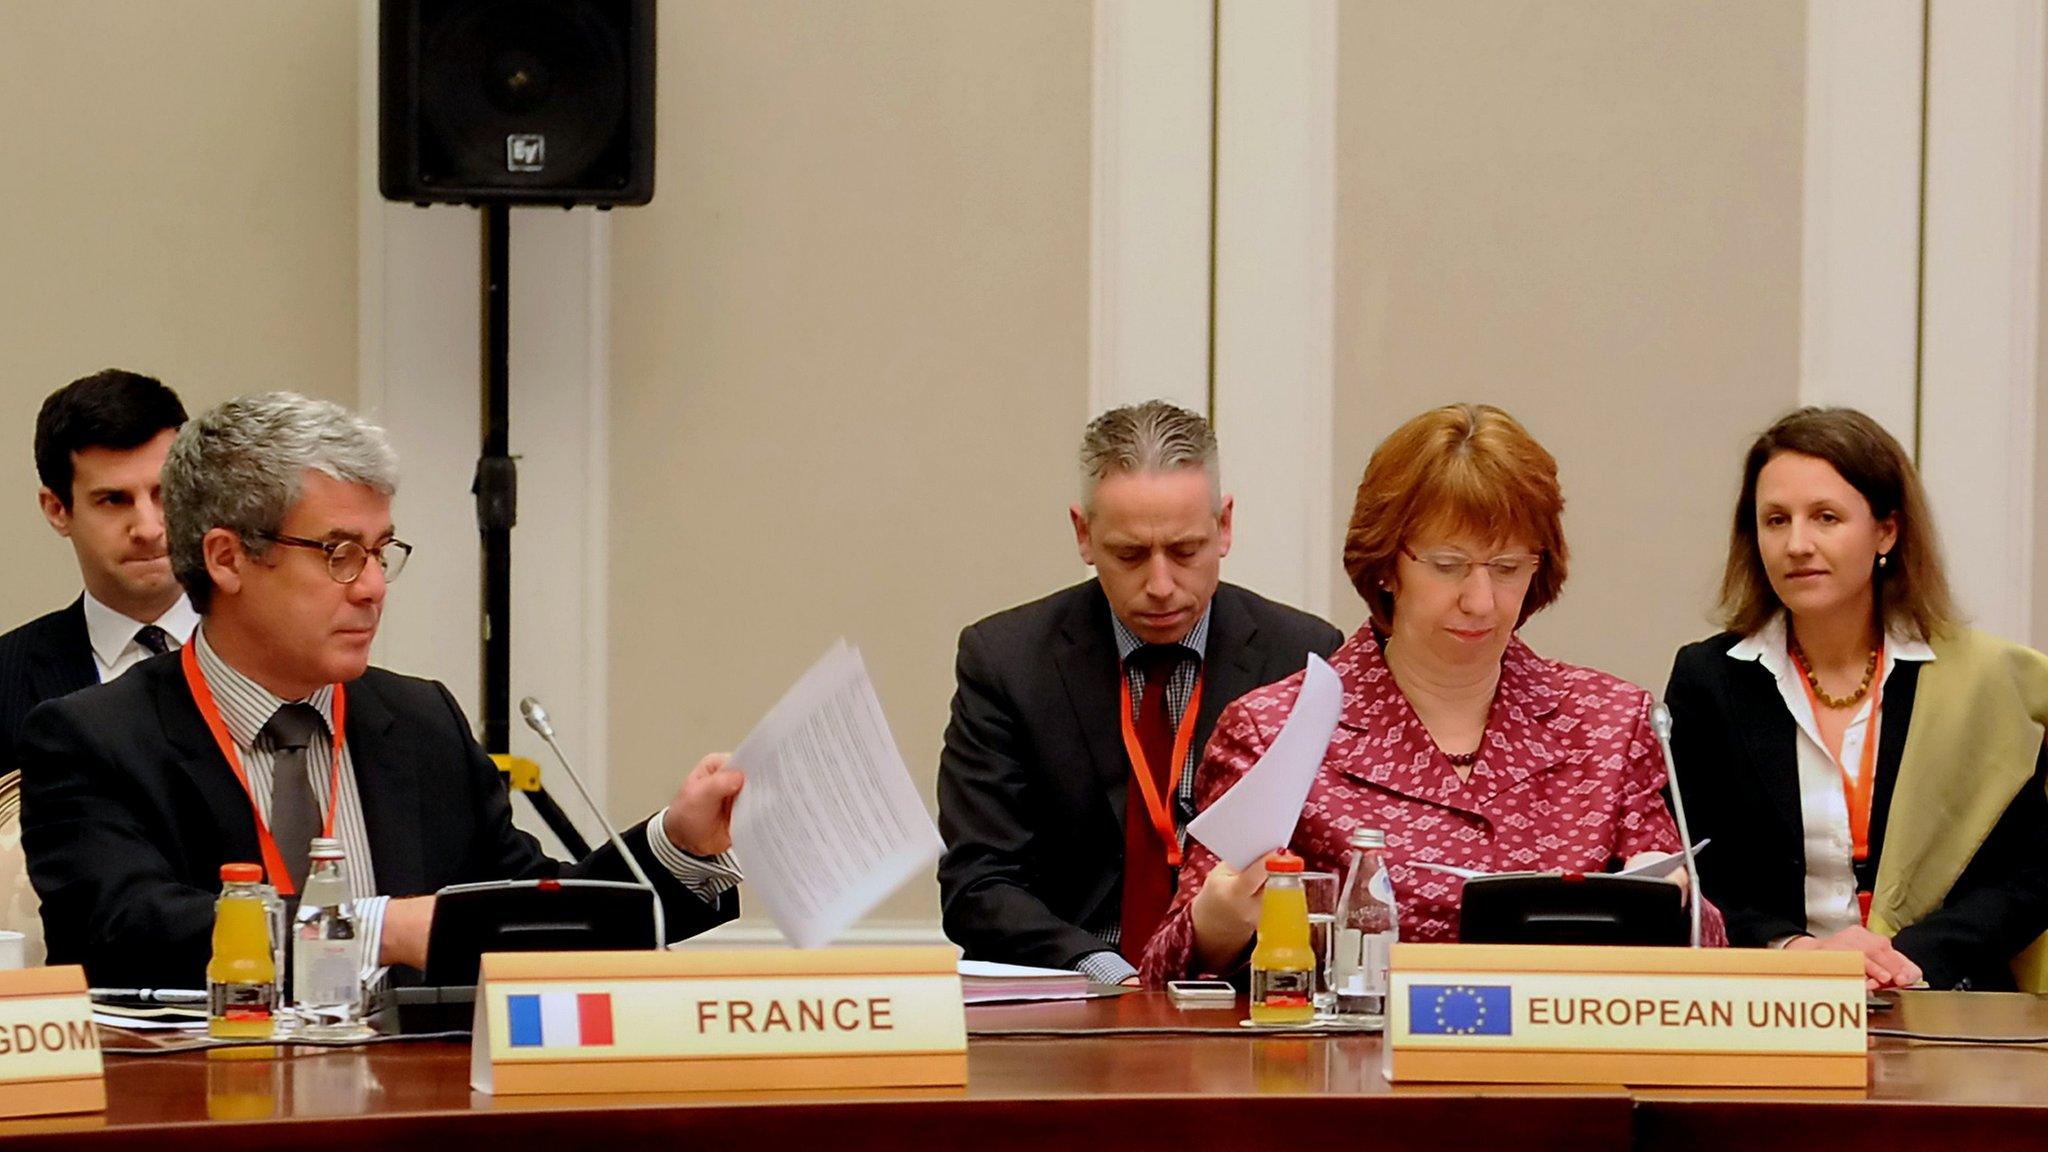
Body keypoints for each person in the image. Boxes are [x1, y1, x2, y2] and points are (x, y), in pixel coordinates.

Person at [21, 393, 745, 986]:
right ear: (228, 558)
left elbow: (529, 918)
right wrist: (379, 930)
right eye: (339, 553)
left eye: (380, 551)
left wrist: (678, 843)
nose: (371, 588)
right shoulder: (95, 738)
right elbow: (133, 931)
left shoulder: (418, 719)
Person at [1142, 403, 1722, 985]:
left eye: (1507, 567)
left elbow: (1707, 961)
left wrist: (1676, 905)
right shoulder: (1276, 730)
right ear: (1387, 565)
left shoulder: (1609, 722)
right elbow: (1165, 979)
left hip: (1563, 1065)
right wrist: (1220, 921)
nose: (1481, 601)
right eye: (1448, 565)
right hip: (1352, 1069)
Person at [938, 400, 1342, 985]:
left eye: (1185, 551)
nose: (1160, 585)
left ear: (1224, 526)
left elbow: (1324, 867)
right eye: (1129, 554)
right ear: (1083, 534)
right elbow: (979, 885)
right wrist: (1108, 973)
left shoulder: (1299, 656)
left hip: (1240, 995)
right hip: (1072, 996)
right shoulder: (1006, 662)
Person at [1664, 407, 2048, 991]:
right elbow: (1698, 866)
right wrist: (1795, 948)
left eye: (1826, 517)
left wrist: (1907, 957)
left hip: (1949, 997)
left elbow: (2030, 872)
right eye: (1775, 520)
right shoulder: (1709, 679)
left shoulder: (1984, 683)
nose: (1797, 544)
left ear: (1886, 531)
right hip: (1777, 998)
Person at [0, 370, 195, 776]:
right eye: (114, 500)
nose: (149, 528)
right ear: (57, 510)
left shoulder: (276, 655)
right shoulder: (6, 678)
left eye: (165, 494)